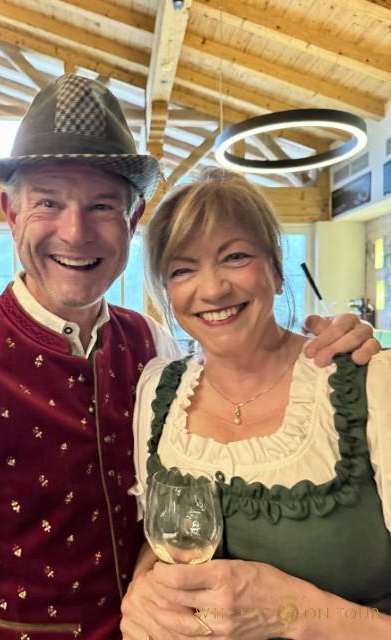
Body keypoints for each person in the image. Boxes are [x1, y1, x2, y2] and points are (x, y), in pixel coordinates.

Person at [0, 75, 378, 640]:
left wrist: (339, 347)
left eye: (102, 205)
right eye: (48, 202)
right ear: (11, 212)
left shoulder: (154, 349)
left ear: (132, 222)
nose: (75, 232)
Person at [121, 171, 391, 640]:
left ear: (276, 268)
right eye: (182, 269)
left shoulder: (371, 384)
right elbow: (162, 539)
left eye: (235, 257)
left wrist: (289, 610)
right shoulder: (158, 390)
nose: (212, 289)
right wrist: (142, 587)